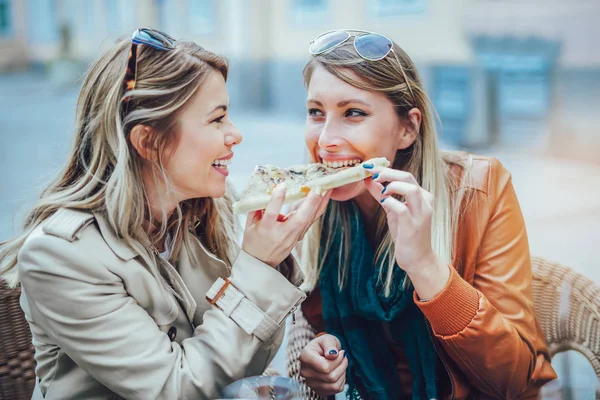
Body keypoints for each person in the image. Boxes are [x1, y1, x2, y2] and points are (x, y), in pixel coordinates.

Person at [0, 28, 330, 400]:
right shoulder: (60, 256)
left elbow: (247, 361)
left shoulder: (203, 212)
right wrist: (258, 266)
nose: (235, 134)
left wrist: (271, 264)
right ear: (149, 141)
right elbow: (177, 389)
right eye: (217, 119)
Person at [292, 29, 557, 399]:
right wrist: (323, 352)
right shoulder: (315, 212)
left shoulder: (481, 189)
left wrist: (425, 265)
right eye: (316, 112)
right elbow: (320, 323)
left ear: (408, 128)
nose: (324, 141)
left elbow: (513, 380)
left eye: (353, 113)